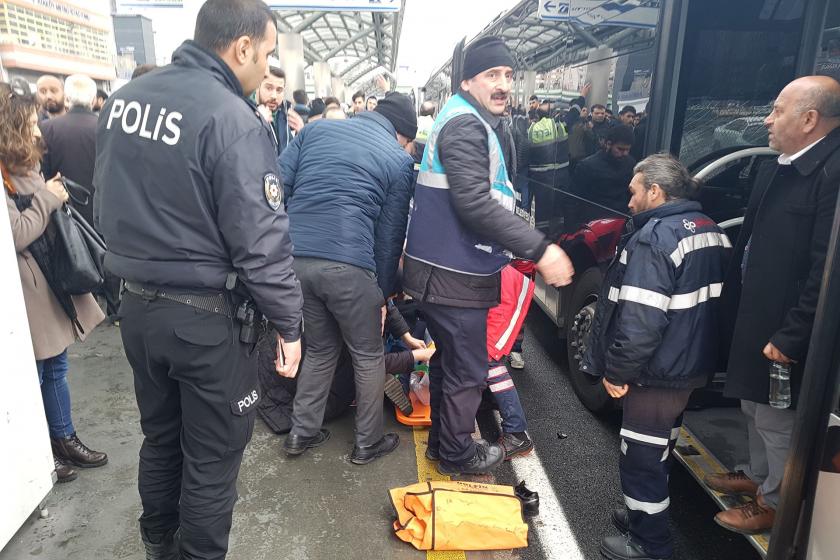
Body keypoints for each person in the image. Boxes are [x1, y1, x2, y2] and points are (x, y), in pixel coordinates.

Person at [93, 1, 304, 558]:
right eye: (266, 52)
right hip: (205, 322)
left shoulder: (122, 103)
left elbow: (103, 202)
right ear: (241, 48)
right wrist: (289, 323)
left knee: (161, 440)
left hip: (136, 310)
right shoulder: (232, 119)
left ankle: (157, 545)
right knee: (211, 460)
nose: (266, 66)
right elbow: (261, 243)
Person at [402, 36, 575, 476]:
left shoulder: (465, 119)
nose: (503, 85)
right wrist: (541, 248)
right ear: (467, 80)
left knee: (448, 362)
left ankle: (444, 446)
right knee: (468, 367)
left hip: (446, 269)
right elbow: (474, 203)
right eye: (491, 75)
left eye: (508, 76)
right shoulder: (466, 125)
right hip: (455, 272)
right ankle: (459, 454)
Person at [582, 153, 731, 560]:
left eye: (634, 193)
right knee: (660, 447)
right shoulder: (709, 228)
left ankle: (650, 542)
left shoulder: (655, 238)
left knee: (642, 458)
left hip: (656, 372)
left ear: (655, 191)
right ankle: (639, 516)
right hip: (687, 367)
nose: (628, 202)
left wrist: (617, 371)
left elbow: (641, 319)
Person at [711, 75, 840, 535]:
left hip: (784, 327)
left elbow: (827, 269)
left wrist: (793, 334)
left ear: (809, 119)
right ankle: (756, 475)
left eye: (777, 110)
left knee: (776, 418)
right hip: (756, 313)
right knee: (751, 405)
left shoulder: (830, 174)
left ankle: (773, 502)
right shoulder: (785, 163)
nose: (766, 119)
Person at [279, 92, 416, 465]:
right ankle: (367, 442)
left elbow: (276, 188)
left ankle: (300, 434)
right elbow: (389, 238)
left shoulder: (314, 131)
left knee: (321, 349)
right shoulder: (398, 160)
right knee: (368, 355)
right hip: (349, 267)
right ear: (402, 135)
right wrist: (383, 296)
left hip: (296, 262)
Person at [1, 82, 107, 485]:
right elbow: (17, 232)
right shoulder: (8, 175)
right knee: (44, 370)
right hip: (32, 285)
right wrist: (49, 196)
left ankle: (61, 440)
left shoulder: (23, 168)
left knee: (54, 365)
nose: (38, 130)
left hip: (42, 280)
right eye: (30, 123)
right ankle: (56, 444)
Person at [40, 74, 99, 227]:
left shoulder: (46, 128)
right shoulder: (106, 126)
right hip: (101, 212)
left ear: (67, 98)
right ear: (93, 100)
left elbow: (44, 174)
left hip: (64, 214)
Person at [571, 124, 636, 226]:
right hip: (595, 224)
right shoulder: (587, 166)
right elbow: (574, 200)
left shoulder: (630, 163)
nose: (625, 153)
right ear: (608, 144)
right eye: (620, 149)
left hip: (622, 221)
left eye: (628, 150)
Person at [528, 99, 570, 237]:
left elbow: (527, 153)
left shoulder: (533, 129)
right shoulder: (560, 125)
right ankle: (558, 237)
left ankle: (542, 238)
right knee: (559, 211)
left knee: (541, 212)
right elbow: (571, 110)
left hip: (540, 177)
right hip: (561, 175)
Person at [255, 67, 303, 155]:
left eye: (279, 90)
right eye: (268, 88)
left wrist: (302, 134)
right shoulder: (245, 113)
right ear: (258, 87)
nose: (274, 96)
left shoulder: (285, 115)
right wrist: (257, 124)